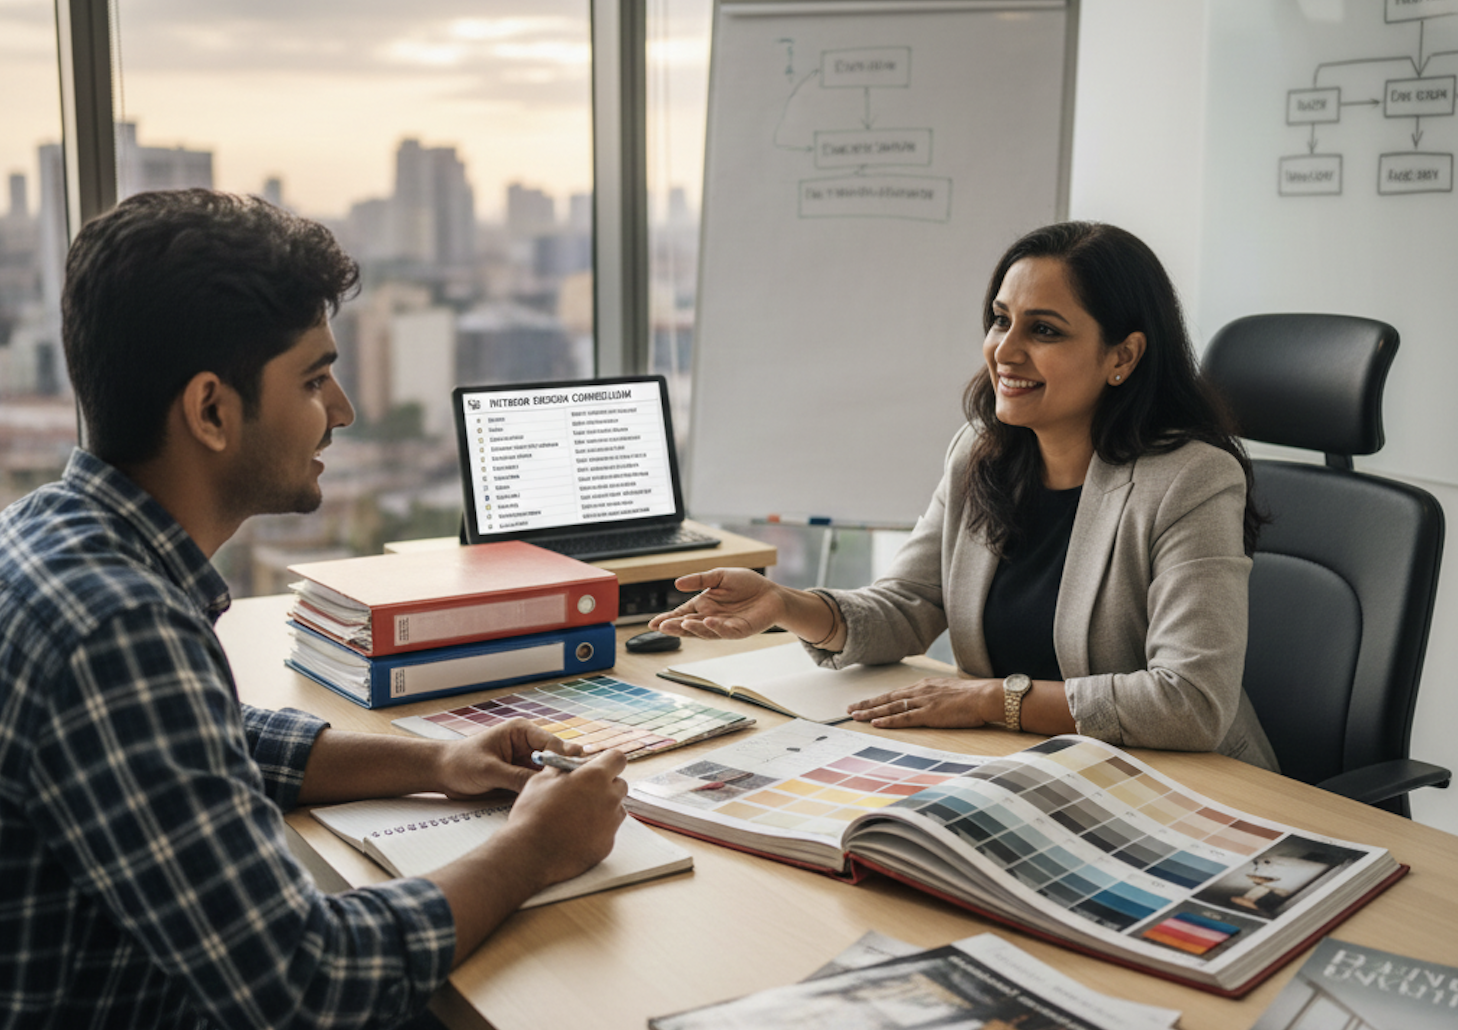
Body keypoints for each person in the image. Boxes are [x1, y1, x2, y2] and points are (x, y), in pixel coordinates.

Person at [0, 189, 628, 1029]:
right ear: (212, 411)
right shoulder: (119, 629)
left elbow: (194, 740)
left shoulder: (46, 535)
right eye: (314, 378)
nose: (342, 412)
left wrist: (437, 764)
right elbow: (308, 984)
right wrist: (536, 848)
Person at [650, 221, 1277, 771]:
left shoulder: (1191, 479)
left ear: (1123, 355)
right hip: (1025, 769)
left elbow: (1190, 703)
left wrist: (990, 700)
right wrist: (786, 603)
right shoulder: (982, 452)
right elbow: (908, 606)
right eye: (1001, 320)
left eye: (1045, 330)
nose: (1004, 350)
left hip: (1184, 785)